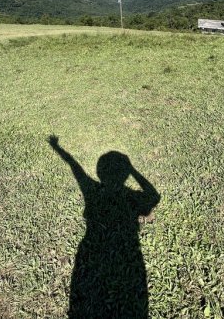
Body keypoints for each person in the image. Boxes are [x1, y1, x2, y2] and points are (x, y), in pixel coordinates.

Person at [48, 135, 160, 318]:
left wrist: (58, 148)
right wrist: (132, 169)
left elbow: (76, 169)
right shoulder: (132, 198)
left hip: (91, 253)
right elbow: (154, 196)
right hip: (129, 257)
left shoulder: (92, 191)